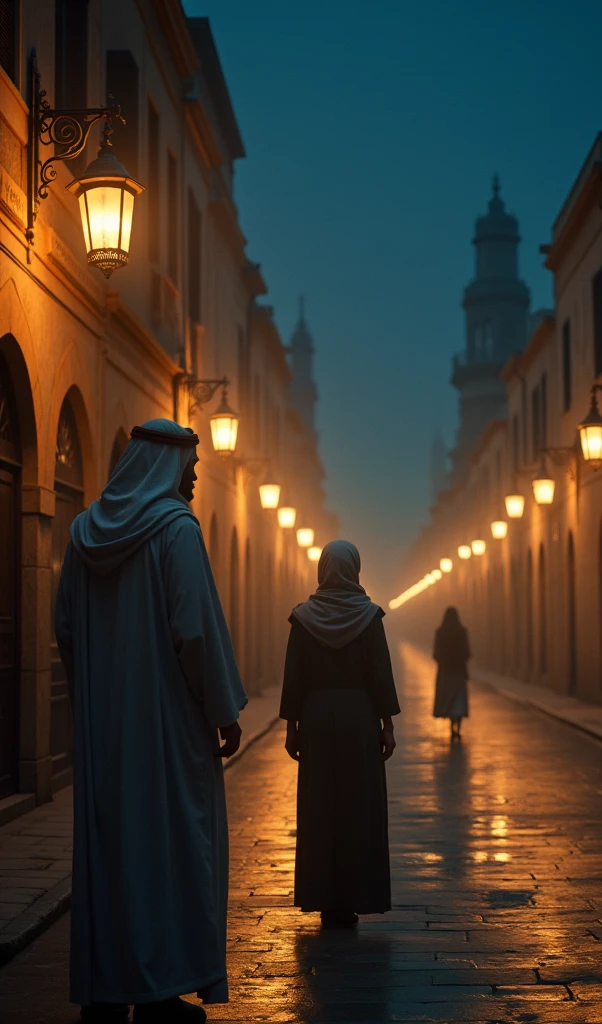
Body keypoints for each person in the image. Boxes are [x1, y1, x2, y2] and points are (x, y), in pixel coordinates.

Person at [55, 418, 247, 1024]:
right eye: (189, 470)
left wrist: (98, 689)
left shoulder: (84, 534)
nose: (192, 482)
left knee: (112, 855)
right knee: (169, 853)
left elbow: (64, 625)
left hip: (107, 729)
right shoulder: (176, 532)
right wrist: (223, 711)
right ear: (165, 466)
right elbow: (194, 632)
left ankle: (107, 988)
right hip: (167, 731)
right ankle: (163, 991)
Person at [280, 540, 400, 928]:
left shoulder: (303, 618)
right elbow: (380, 675)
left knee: (321, 810)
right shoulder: (369, 617)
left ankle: (324, 897)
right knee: (357, 809)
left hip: (315, 720)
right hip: (359, 720)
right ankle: (354, 895)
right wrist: (387, 725)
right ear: (355, 570)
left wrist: (291, 727)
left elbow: (293, 678)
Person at [433, 606, 470, 739]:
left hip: (445, 672)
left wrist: (444, 661)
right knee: (458, 699)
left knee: (448, 698)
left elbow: (435, 654)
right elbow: (467, 652)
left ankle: (451, 727)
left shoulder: (440, 632)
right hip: (459, 671)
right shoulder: (462, 632)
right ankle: (458, 727)